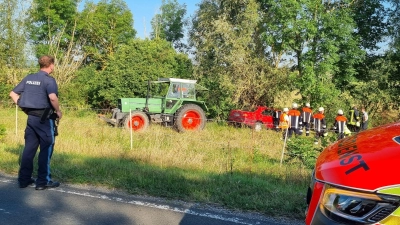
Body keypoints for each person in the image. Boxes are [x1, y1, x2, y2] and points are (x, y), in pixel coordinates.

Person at [9, 55, 62, 190]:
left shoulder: (29, 78)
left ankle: (24, 180)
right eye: (54, 65)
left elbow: (13, 94)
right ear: (51, 65)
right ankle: (43, 181)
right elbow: (52, 97)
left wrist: (23, 106)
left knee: (29, 149)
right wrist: (59, 111)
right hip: (44, 119)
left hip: (31, 118)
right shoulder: (49, 80)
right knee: (46, 148)